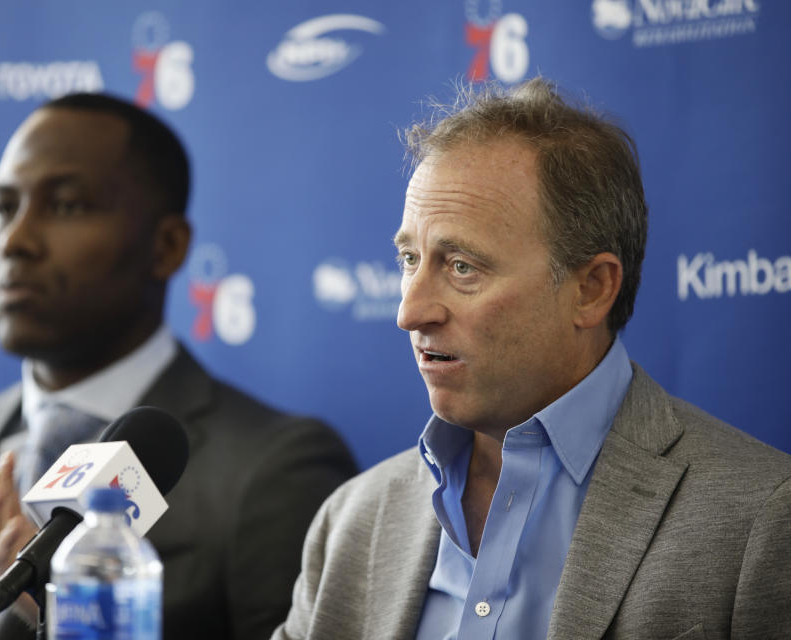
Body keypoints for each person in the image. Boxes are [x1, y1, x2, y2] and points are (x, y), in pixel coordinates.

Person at [273, 78, 791, 639]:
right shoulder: (351, 521)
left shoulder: (759, 522)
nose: (410, 311)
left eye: (461, 266)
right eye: (409, 258)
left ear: (592, 289)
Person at [0, 92, 357, 640]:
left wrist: (62, 613)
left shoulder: (277, 469)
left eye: (66, 205)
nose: (15, 240)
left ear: (166, 247)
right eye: (1, 207)